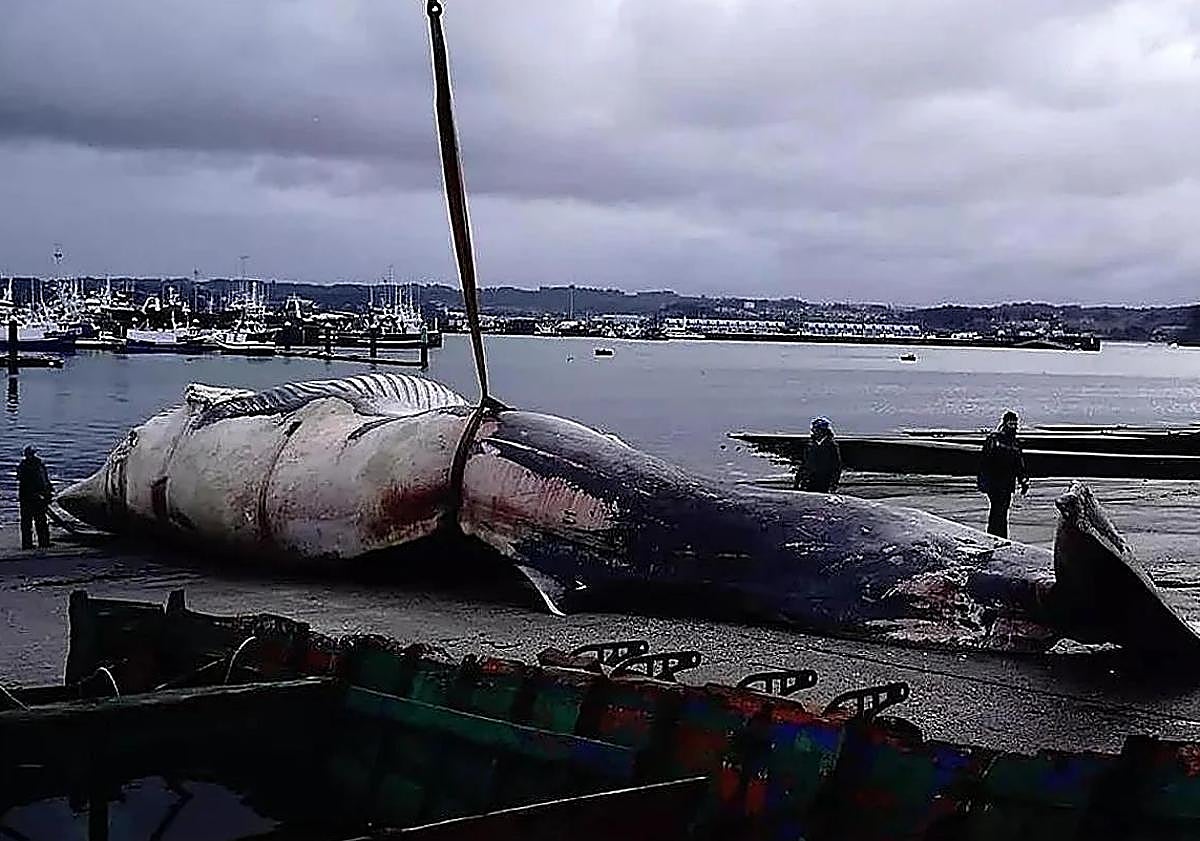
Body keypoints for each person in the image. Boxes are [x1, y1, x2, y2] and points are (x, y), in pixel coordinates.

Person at [977, 411, 1028, 538]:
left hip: (1007, 483)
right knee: (997, 510)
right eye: (1011, 424)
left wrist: (1023, 481)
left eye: (1015, 424)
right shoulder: (994, 439)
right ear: (1005, 424)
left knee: (1002, 511)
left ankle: (999, 536)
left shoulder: (1015, 443)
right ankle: (995, 536)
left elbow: (1019, 465)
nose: (1014, 427)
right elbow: (984, 462)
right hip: (994, 483)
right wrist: (983, 482)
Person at [17, 445, 53, 550]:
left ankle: (38, 542)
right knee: (35, 521)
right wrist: (44, 492)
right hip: (32, 497)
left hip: (30, 497)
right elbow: (40, 481)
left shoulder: (31, 465)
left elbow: (44, 480)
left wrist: (48, 490)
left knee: (35, 521)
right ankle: (38, 543)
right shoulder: (33, 466)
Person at [795, 416, 842, 493]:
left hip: (824, 483)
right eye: (813, 429)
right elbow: (804, 463)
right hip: (808, 482)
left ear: (823, 430)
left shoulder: (832, 446)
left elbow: (836, 466)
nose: (813, 431)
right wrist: (799, 479)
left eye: (816, 429)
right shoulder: (810, 445)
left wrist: (833, 484)